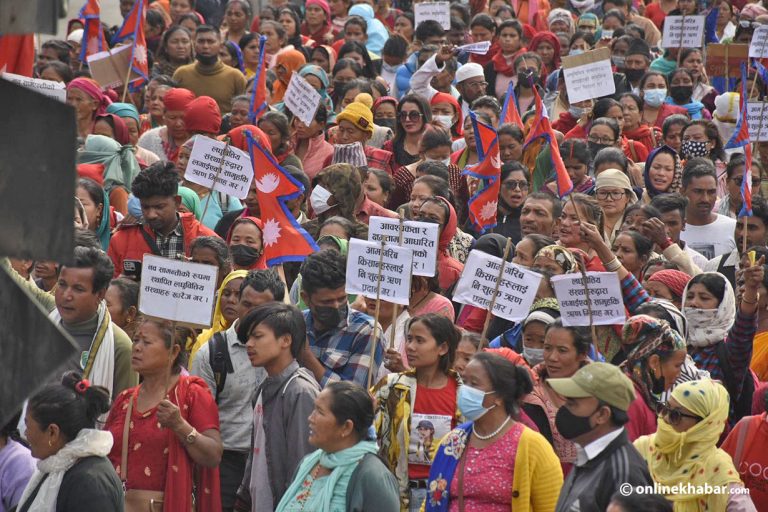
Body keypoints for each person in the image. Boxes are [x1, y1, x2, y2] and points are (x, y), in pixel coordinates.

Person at [104, 317, 223, 511]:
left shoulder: (192, 394)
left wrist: (180, 426)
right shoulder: (125, 400)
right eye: (136, 340)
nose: (137, 348)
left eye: (147, 342)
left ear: (174, 352)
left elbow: (213, 455)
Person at [424, 352, 563, 512]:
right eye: (464, 381)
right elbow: (431, 498)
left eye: (474, 384)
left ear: (499, 396)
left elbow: (552, 506)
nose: (464, 390)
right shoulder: (453, 442)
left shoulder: (533, 447)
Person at [234, 303, 320, 511]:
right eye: (248, 338)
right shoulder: (264, 389)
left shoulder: (299, 391)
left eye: (258, 336)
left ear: (286, 340)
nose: (249, 344)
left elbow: (304, 468)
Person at [372, 314, 463, 510]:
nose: (410, 346)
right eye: (409, 339)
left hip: (443, 494)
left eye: (420, 340)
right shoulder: (392, 387)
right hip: (395, 491)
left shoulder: (462, 394)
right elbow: (368, 429)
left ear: (443, 348)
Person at [274, 381, 400, 511]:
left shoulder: (373, 478)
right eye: (314, 409)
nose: (310, 418)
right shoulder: (308, 464)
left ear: (346, 427)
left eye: (320, 412)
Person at [634, 380, 757, 510]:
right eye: (664, 408)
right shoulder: (643, 448)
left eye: (675, 415)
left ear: (703, 426)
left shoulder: (717, 469)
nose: (665, 418)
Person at [550, 363, 653, 512]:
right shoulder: (586, 455)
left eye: (573, 404)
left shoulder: (624, 473)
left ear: (602, 415)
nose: (565, 410)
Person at [17, 372, 122, 512]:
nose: (25, 434)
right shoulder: (58, 468)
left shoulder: (89, 484)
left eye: (28, 426)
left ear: (52, 432)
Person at [45, 246, 137, 398]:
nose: (66, 295)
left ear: (100, 294)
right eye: (62, 284)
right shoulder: (42, 328)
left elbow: (123, 413)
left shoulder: (119, 346)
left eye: (78, 289)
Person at [108, 162, 218, 278]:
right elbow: (109, 287)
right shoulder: (121, 240)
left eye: (159, 207)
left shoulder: (206, 239)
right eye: (145, 207)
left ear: (177, 202)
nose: (151, 215)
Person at [682, 268, 762, 423]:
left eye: (704, 298)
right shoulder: (678, 342)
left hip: (715, 438)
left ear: (722, 306)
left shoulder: (728, 350)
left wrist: (751, 291)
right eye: (689, 296)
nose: (693, 303)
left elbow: (743, 327)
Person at [298, 249, 385, 388]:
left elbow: (352, 397)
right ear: (305, 298)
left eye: (341, 298)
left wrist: (307, 357)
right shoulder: (297, 324)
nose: (336, 306)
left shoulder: (366, 330)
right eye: (326, 302)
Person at [621, 315, 687, 441]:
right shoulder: (630, 400)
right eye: (677, 365)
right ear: (654, 362)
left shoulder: (637, 391)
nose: (679, 374)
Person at [173, 25, 246, 112]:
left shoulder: (236, 77)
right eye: (201, 41)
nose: (205, 46)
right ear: (194, 43)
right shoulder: (181, 74)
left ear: (220, 44)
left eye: (210, 42)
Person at [679, 158, 737, 260]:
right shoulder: (673, 229)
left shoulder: (734, 228)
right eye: (698, 191)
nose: (705, 199)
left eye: (711, 192)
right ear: (682, 191)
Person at [76, 135, 141, 215]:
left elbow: (119, 226)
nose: (79, 151)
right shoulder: (77, 184)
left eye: (84, 149)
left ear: (99, 157)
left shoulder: (117, 193)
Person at [138, 87, 196, 162]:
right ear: (164, 116)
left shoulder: (202, 145)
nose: (178, 124)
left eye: (183, 118)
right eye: (172, 118)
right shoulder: (148, 140)